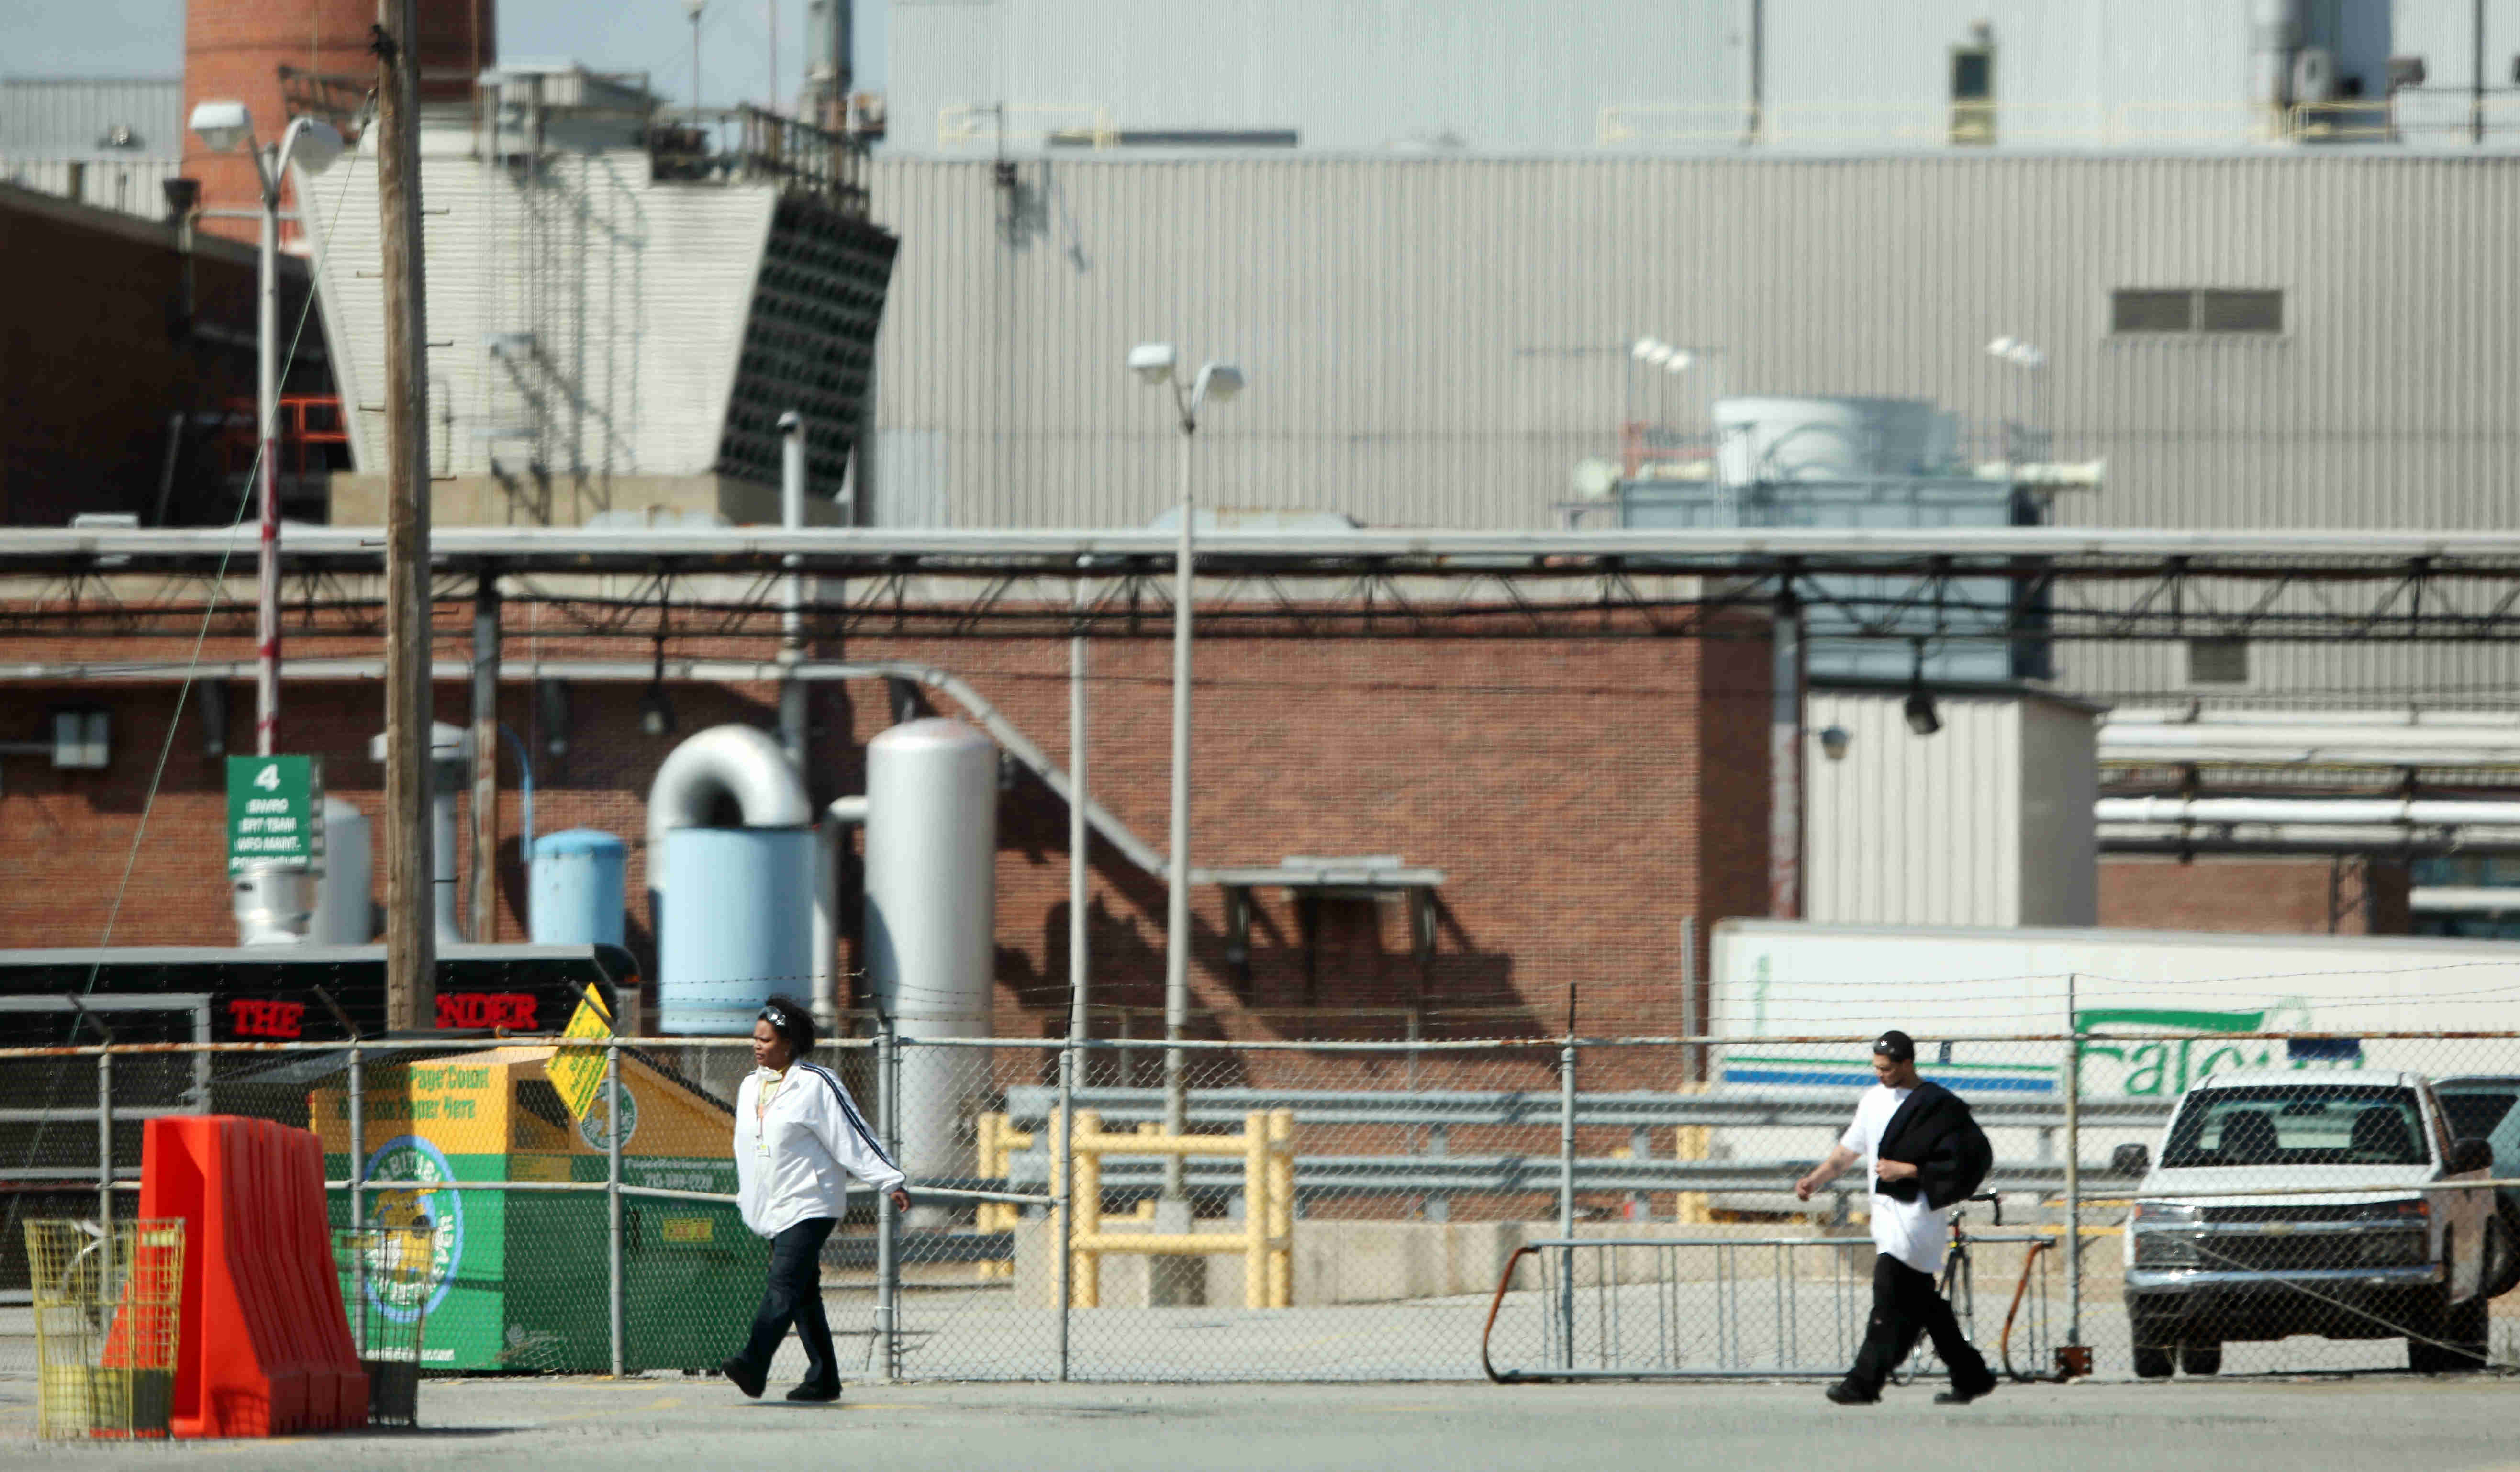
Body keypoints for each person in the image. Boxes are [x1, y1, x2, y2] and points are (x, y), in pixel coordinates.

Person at [1794, 1029, 1996, 1407]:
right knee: (1926, 1305)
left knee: (1888, 1299)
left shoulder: (1938, 1106)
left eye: (1887, 1069)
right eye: (1876, 1068)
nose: (1881, 1075)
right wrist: (1814, 1181)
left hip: (1917, 1219)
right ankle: (1972, 1375)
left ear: (1908, 1064)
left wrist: (1909, 1171)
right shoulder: (1872, 1101)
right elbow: (1846, 1153)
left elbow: (1962, 1161)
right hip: (1884, 1219)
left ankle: (1862, 1383)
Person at [724, 995, 910, 1403]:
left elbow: (853, 1136)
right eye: (755, 1039)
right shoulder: (749, 1086)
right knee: (804, 1293)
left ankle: (754, 1363)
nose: (757, 1046)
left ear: (788, 1044)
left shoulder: (815, 1084)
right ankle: (824, 1379)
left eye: (767, 1040)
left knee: (785, 1282)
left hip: (811, 1203)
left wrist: (889, 1180)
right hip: (773, 1205)